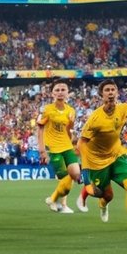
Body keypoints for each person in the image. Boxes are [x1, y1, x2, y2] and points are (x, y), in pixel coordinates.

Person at [75, 80, 127, 230]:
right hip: (98, 160)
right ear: (101, 95)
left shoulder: (124, 109)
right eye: (107, 90)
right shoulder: (95, 119)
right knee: (107, 196)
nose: (110, 93)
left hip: (117, 155)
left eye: (113, 90)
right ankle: (102, 204)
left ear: (117, 92)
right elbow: (81, 144)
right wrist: (85, 171)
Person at [38, 79, 80, 214]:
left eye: (63, 90)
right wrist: (42, 150)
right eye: (57, 90)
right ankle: (62, 204)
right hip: (54, 148)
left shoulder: (71, 110)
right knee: (64, 177)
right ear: (52, 93)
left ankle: (53, 199)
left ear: (68, 93)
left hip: (67, 146)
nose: (60, 92)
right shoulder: (47, 110)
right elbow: (40, 129)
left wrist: (73, 138)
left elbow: (69, 130)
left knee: (75, 174)